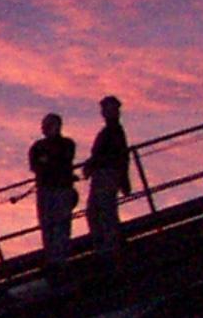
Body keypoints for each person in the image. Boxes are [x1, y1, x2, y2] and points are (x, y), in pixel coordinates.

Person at [28, 113, 78, 268]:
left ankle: (60, 260)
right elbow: (36, 166)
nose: (44, 128)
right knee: (49, 226)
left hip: (60, 190)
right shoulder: (38, 147)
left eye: (47, 125)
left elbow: (59, 161)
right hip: (47, 190)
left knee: (61, 226)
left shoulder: (67, 144)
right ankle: (53, 260)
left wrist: (48, 162)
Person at [85, 94, 131, 255]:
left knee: (102, 210)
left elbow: (117, 156)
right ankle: (106, 244)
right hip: (104, 175)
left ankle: (108, 245)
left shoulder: (113, 132)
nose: (106, 113)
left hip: (107, 175)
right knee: (98, 211)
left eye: (109, 109)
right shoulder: (110, 132)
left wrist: (124, 180)